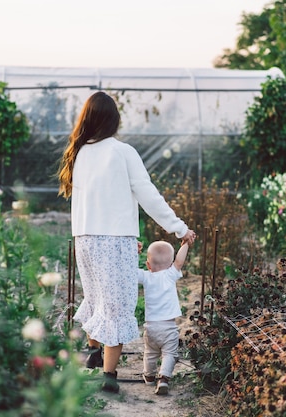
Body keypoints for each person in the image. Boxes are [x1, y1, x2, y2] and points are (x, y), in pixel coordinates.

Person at [57, 91, 196, 394]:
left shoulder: (78, 153)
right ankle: (109, 375)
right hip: (114, 239)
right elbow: (149, 196)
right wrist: (178, 228)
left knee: (96, 297)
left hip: (85, 239)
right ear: (113, 120)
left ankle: (94, 351)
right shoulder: (122, 152)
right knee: (117, 304)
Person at [137, 240, 190, 395]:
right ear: (170, 264)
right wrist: (185, 243)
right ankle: (164, 379)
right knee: (169, 354)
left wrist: (134, 253)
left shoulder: (146, 276)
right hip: (168, 327)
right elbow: (179, 262)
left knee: (150, 352)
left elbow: (129, 270)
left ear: (148, 265)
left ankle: (149, 376)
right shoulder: (170, 274)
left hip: (151, 327)